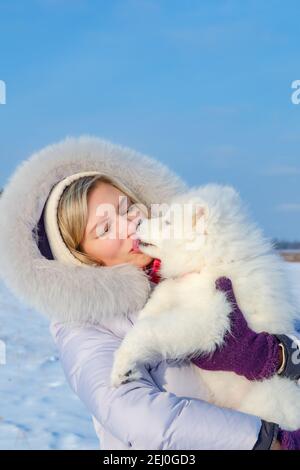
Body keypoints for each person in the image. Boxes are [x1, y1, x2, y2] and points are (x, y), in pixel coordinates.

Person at [0, 136, 299, 450]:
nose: (129, 224)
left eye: (126, 207)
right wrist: (267, 440)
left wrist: (272, 355)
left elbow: (287, 332)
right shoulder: (83, 327)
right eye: (103, 229)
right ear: (83, 257)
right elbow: (136, 416)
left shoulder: (198, 267)